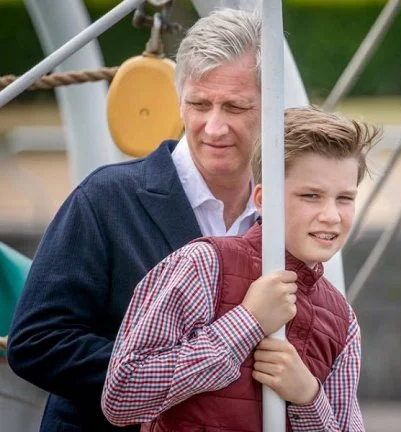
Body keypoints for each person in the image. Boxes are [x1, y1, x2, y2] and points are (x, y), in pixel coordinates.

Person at [8, 9, 263, 432]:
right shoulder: (104, 200)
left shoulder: (285, 218)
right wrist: (180, 377)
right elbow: (37, 342)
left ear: (270, 106)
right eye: (200, 104)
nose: (214, 127)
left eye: (236, 107)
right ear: (179, 101)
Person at [101, 106, 380, 431]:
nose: (331, 215)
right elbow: (122, 395)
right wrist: (247, 322)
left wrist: (308, 397)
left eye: (344, 198)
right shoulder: (202, 265)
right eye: (311, 196)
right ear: (262, 199)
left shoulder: (343, 322)